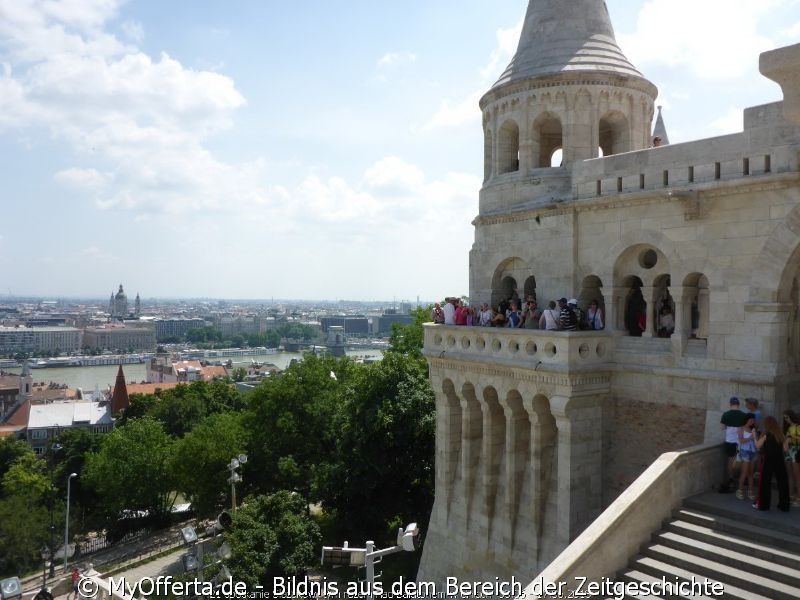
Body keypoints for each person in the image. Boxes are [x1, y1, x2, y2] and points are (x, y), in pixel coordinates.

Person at [753, 415, 790, 511]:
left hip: (768, 460)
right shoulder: (780, 434)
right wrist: (787, 440)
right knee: (783, 483)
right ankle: (784, 506)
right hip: (779, 461)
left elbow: (757, 446)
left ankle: (764, 505)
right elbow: (786, 450)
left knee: (765, 483)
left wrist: (754, 436)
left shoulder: (765, 435)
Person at [719, 397, 747, 492]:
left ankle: (731, 480)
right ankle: (741, 480)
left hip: (730, 442)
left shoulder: (726, 414)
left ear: (730, 404)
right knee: (742, 461)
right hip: (740, 442)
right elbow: (745, 429)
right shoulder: (744, 415)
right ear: (738, 405)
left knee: (730, 462)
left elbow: (722, 428)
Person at [736, 413, 758, 500]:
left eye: (753, 420)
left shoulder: (753, 429)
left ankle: (750, 491)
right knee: (744, 472)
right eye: (751, 420)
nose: (752, 422)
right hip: (744, 451)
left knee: (751, 473)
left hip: (753, 451)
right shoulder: (741, 428)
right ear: (747, 420)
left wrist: (755, 437)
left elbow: (756, 442)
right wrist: (751, 438)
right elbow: (741, 440)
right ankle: (740, 490)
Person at [783, 409, 800, 506]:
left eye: (786, 417)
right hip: (788, 451)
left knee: (797, 475)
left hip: (796, 451)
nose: (785, 420)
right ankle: (791, 494)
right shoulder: (788, 427)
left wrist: (792, 437)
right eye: (784, 418)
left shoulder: (798, 426)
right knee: (790, 475)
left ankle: (798, 497)